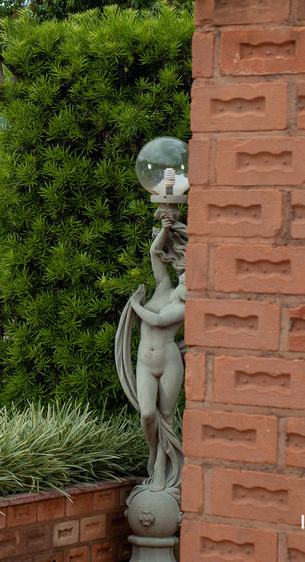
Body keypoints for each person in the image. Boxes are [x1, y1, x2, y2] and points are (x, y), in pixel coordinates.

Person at [117, 205, 187, 492]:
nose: (186, 283)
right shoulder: (163, 287)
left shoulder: (184, 308)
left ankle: (161, 467)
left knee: (166, 418)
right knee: (148, 414)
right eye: (185, 278)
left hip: (169, 361)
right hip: (146, 362)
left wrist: (134, 305)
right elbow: (154, 254)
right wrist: (167, 228)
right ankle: (152, 452)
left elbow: (156, 320)